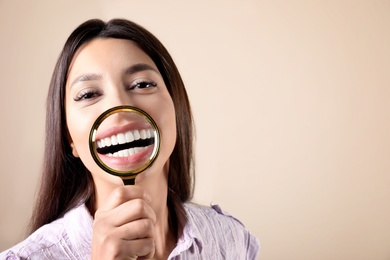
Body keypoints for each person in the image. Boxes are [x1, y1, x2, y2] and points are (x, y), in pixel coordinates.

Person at [0, 18, 259, 259]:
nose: (120, 108)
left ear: (176, 109)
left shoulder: (232, 241)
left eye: (142, 84)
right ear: (69, 138)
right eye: (89, 94)